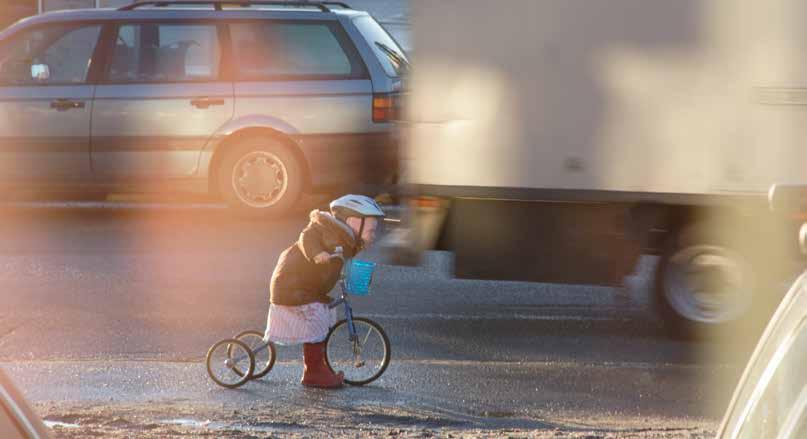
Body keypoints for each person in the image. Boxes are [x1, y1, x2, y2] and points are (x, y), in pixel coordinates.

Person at [264, 194, 385, 388]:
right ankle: (313, 372)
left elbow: (340, 262)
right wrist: (316, 254)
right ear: (354, 221)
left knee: (325, 315)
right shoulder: (322, 228)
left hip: (308, 287)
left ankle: (319, 365)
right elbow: (306, 238)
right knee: (318, 318)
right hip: (291, 285)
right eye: (370, 229)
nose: (373, 234)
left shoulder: (348, 242)